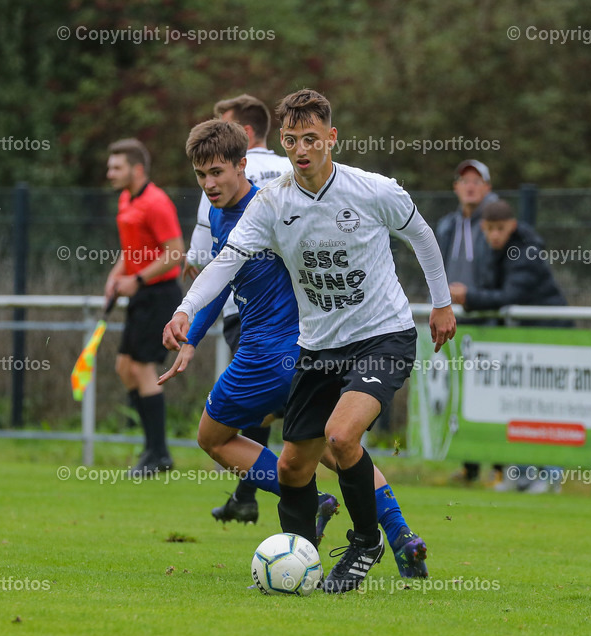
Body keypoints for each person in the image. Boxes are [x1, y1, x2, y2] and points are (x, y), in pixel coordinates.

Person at [164, 89, 456, 593]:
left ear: (331, 139)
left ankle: (367, 541)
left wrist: (443, 303)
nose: (302, 150)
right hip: (318, 348)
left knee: (341, 437)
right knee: (293, 466)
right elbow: (226, 262)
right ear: (282, 141)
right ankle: (299, 563)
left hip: (383, 336)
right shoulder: (272, 202)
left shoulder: (373, 190)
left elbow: (422, 235)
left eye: (312, 139)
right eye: (293, 140)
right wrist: (186, 309)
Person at [183, 95, 293, 523]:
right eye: (202, 174)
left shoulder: (228, 204)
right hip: (319, 330)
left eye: (215, 170)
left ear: (242, 148)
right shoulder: (294, 173)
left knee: (233, 424)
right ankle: (397, 532)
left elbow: (202, 266)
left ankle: (272, 494)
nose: (210, 181)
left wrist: (189, 315)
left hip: (257, 327)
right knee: (322, 440)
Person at [452, 199, 571, 493]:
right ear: (483, 228)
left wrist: (470, 297)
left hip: (551, 337)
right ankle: (521, 472)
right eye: (489, 229)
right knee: (522, 406)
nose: (494, 235)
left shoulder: (525, 251)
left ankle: (551, 476)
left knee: (547, 408)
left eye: (500, 229)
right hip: (525, 341)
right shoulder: (494, 251)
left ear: (512, 226)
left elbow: (508, 295)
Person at [104, 138, 184, 476]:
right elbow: (132, 250)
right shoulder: (126, 200)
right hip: (140, 295)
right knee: (125, 367)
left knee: (142, 368)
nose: (110, 173)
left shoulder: (156, 202)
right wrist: (116, 276)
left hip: (160, 294)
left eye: (116, 167)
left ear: (137, 169)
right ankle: (153, 448)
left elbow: (176, 252)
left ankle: (159, 453)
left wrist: (137, 280)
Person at [436, 159, 497, 484]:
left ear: (487, 187)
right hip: (455, 323)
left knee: (492, 395)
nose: (470, 186)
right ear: (456, 187)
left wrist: (474, 295)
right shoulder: (447, 225)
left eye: (477, 180)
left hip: (490, 319)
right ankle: (470, 466)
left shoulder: (496, 221)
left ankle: (501, 467)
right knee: (461, 395)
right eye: (464, 180)